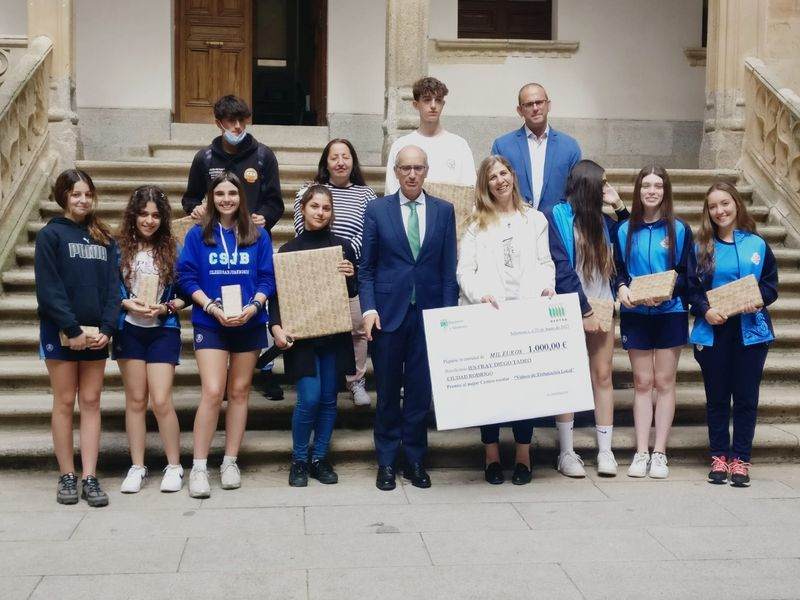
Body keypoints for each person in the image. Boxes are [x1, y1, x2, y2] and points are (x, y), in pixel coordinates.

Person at [360, 145, 459, 491]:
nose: (412, 174)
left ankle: (416, 459)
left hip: (429, 315)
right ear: (396, 172)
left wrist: (447, 318)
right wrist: (369, 308)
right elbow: (366, 268)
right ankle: (386, 461)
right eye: (406, 168)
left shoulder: (444, 211)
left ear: (427, 171)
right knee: (387, 392)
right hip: (387, 316)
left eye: (418, 167)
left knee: (419, 392)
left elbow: (449, 270)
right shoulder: (377, 210)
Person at [456, 156, 556, 485]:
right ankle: (492, 455)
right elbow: (464, 271)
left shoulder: (535, 219)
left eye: (504, 173)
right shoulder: (475, 223)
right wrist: (478, 294)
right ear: (484, 186)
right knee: (492, 390)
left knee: (523, 389)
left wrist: (546, 286)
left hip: (524, 314)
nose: (500, 180)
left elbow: (545, 262)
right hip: (489, 313)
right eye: (492, 177)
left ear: (513, 176)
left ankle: (524, 456)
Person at [177, 172, 275, 498]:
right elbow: (187, 277)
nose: (227, 199)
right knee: (213, 390)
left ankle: (230, 461)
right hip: (211, 322)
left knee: (240, 390)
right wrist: (210, 307)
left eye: (233, 193)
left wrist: (255, 305)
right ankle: (200, 466)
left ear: (241, 197)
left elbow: (266, 277)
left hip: (248, 320)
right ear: (211, 198)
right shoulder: (197, 235)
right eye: (220, 193)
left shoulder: (258, 235)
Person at [181, 95, 284, 401]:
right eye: (230, 121)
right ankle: (220, 374)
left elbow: (274, 201)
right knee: (221, 309)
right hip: (216, 242)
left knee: (257, 303)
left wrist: (265, 217)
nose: (237, 126)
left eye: (242, 120)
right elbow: (190, 197)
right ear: (219, 123)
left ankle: (263, 371)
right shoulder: (205, 158)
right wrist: (195, 210)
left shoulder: (263, 156)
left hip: (252, 242)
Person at [35, 169, 121, 507]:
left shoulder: (104, 238)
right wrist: (71, 330)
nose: (83, 199)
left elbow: (114, 289)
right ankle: (67, 475)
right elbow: (49, 289)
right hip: (61, 334)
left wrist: (108, 329)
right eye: (75, 194)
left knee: (91, 402)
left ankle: (90, 476)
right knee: (64, 402)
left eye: (87, 193)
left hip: (97, 335)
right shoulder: (50, 236)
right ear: (63, 197)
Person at [688, 182, 778, 487]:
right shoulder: (701, 247)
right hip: (713, 332)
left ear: (736, 204)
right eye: (713, 206)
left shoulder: (757, 245)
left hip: (750, 333)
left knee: (745, 399)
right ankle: (719, 457)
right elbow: (692, 289)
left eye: (724, 203)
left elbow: (770, 285)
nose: (719, 211)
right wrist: (704, 310)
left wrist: (759, 298)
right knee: (716, 400)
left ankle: (740, 460)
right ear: (707, 211)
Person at [546, 159, 628, 478]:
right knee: (567, 377)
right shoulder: (556, 216)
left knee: (603, 375)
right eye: (602, 184)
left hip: (603, 305)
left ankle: (605, 451)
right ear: (588, 185)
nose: (606, 189)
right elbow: (561, 267)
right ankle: (566, 452)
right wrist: (584, 310)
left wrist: (620, 207)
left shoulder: (604, 222)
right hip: (571, 307)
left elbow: (629, 240)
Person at [272, 185, 358, 487]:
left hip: (333, 335)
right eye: (315, 207)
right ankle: (298, 460)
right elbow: (277, 299)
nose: (320, 212)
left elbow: (351, 292)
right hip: (302, 337)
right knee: (309, 398)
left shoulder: (342, 248)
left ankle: (320, 458)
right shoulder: (287, 252)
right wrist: (277, 328)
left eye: (326, 208)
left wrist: (351, 275)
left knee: (329, 399)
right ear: (303, 210)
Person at [614, 166, 693, 479]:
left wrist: (667, 292)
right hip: (636, 315)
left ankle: (660, 452)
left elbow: (688, 273)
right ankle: (641, 451)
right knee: (642, 383)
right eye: (645, 185)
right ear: (638, 190)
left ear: (665, 191)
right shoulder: (623, 230)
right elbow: (617, 270)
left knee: (664, 382)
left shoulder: (679, 229)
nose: (651, 191)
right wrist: (622, 288)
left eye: (657, 186)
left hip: (669, 313)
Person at [293, 139, 376, 406]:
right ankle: (314, 379)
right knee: (317, 328)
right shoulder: (308, 191)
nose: (340, 162)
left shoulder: (366, 195)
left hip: (350, 269)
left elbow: (370, 234)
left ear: (353, 161)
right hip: (313, 272)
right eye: (334, 157)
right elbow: (300, 228)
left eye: (345, 156)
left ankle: (356, 381)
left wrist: (344, 253)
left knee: (357, 329)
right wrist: (325, 256)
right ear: (325, 162)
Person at [114, 185, 186, 493]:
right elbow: (109, 288)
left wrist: (167, 306)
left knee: (160, 400)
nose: (149, 220)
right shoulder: (118, 248)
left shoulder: (173, 247)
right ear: (133, 215)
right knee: (135, 400)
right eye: (143, 214)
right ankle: (137, 466)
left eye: (156, 215)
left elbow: (186, 293)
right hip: (129, 329)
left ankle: (174, 465)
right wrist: (124, 302)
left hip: (162, 330)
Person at [491, 82, 581, 213]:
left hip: (555, 228)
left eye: (539, 102)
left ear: (548, 105)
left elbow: (577, 193)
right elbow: (493, 188)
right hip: (516, 225)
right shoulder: (503, 146)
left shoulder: (569, 146)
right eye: (528, 104)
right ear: (520, 111)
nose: (535, 108)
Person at [384, 77, 476, 194]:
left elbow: (470, 189)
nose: (433, 106)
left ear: (443, 104)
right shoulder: (401, 145)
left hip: (452, 211)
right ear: (416, 105)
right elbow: (391, 190)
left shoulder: (459, 145)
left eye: (438, 100)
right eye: (427, 100)